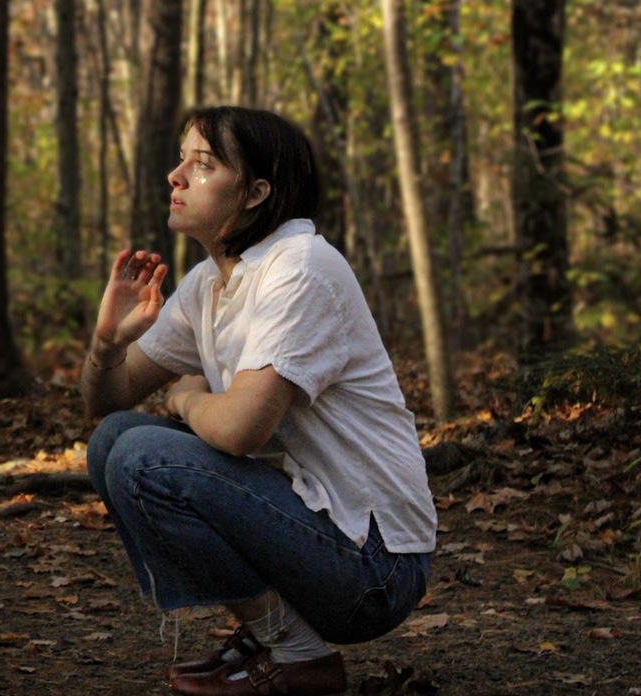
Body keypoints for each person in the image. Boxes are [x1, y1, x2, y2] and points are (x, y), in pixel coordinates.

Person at [83, 106, 436, 696]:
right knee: (112, 439)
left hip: (376, 565)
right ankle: (276, 635)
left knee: (142, 457)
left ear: (255, 193)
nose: (176, 175)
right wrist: (107, 344)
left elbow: (240, 429)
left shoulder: (300, 269)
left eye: (202, 164)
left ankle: (299, 658)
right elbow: (107, 398)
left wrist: (185, 399)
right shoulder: (211, 283)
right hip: (315, 530)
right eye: (181, 160)